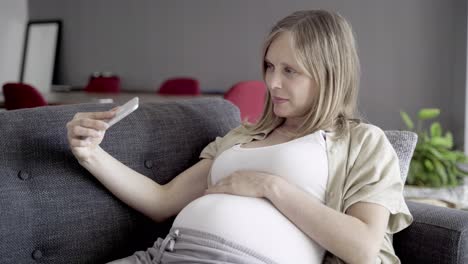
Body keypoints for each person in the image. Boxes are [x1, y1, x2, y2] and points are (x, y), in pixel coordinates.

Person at [66, 10, 413, 264]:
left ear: (328, 74)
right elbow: (161, 200)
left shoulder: (363, 143)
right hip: (161, 256)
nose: (272, 82)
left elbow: (364, 250)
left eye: (290, 70)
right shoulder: (242, 136)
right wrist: (91, 154)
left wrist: (269, 186)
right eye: (269, 67)